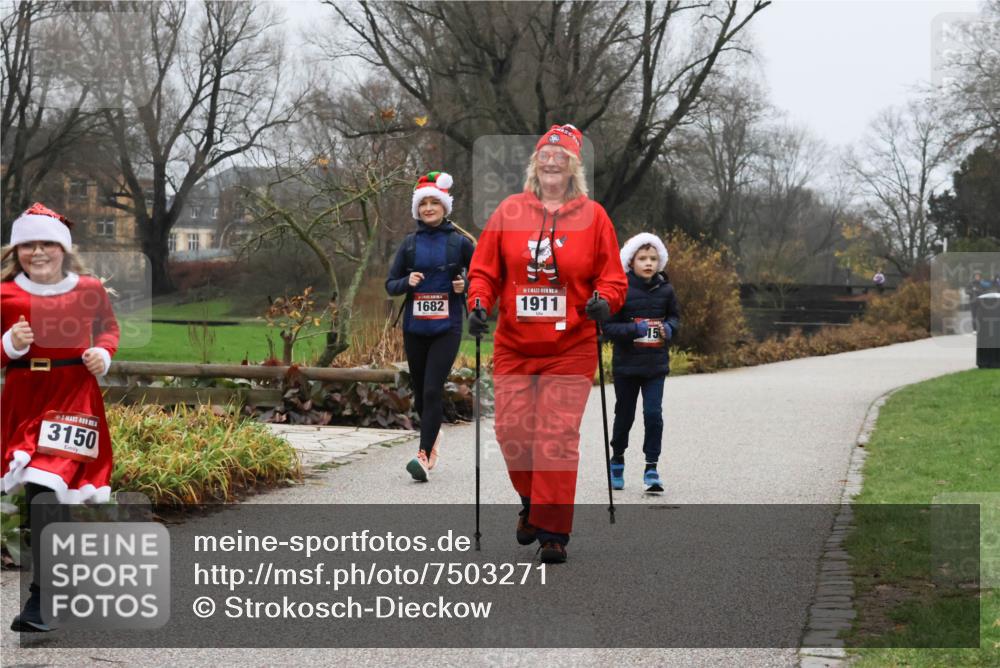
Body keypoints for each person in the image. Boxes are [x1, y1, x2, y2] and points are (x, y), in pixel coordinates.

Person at [466, 124, 627, 564]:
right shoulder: (509, 211)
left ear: (574, 165)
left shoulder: (595, 217)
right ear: (535, 163)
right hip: (514, 344)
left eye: (561, 153)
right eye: (545, 153)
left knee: (556, 436)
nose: (552, 158)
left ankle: (553, 531)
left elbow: (613, 277)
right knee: (512, 432)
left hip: (570, 346)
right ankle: (533, 504)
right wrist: (479, 301)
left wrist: (604, 302)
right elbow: (484, 269)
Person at [1, 203, 120, 632]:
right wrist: (9, 342)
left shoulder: (88, 289)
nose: (38, 252)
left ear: (63, 249)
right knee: (42, 491)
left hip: (74, 396)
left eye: (47, 243)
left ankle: (44, 599)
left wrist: (103, 352)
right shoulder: (4, 295)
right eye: (29, 244)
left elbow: (109, 328)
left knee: (45, 486)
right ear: (17, 250)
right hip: (24, 398)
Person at [386, 172, 475, 482]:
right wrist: (406, 282)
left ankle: (423, 455)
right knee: (422, 395)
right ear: (417, 209)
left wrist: (466, 286)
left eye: (433, 202)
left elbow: (482, 280)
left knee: (434, 388)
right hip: (414, 327)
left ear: (444, 206)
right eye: (422, 203)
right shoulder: (409, 244)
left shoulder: (460, 243)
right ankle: (433, 434)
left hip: (447, 326)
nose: (427, 208)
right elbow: (390, 284)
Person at [601, 233, 680, 494]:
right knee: (624, 416)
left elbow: (676, 318)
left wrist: (669, 327)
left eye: (653, 258)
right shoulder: (620, 289)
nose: (649, 263)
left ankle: (651, 467)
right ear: (631, 261)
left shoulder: (666, 290)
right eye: (643, 258)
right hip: (626, 367)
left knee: (653, 415)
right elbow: (609, 327)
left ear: (660, 262)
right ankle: (617, 459)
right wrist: (636, 329)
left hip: (655, 366)